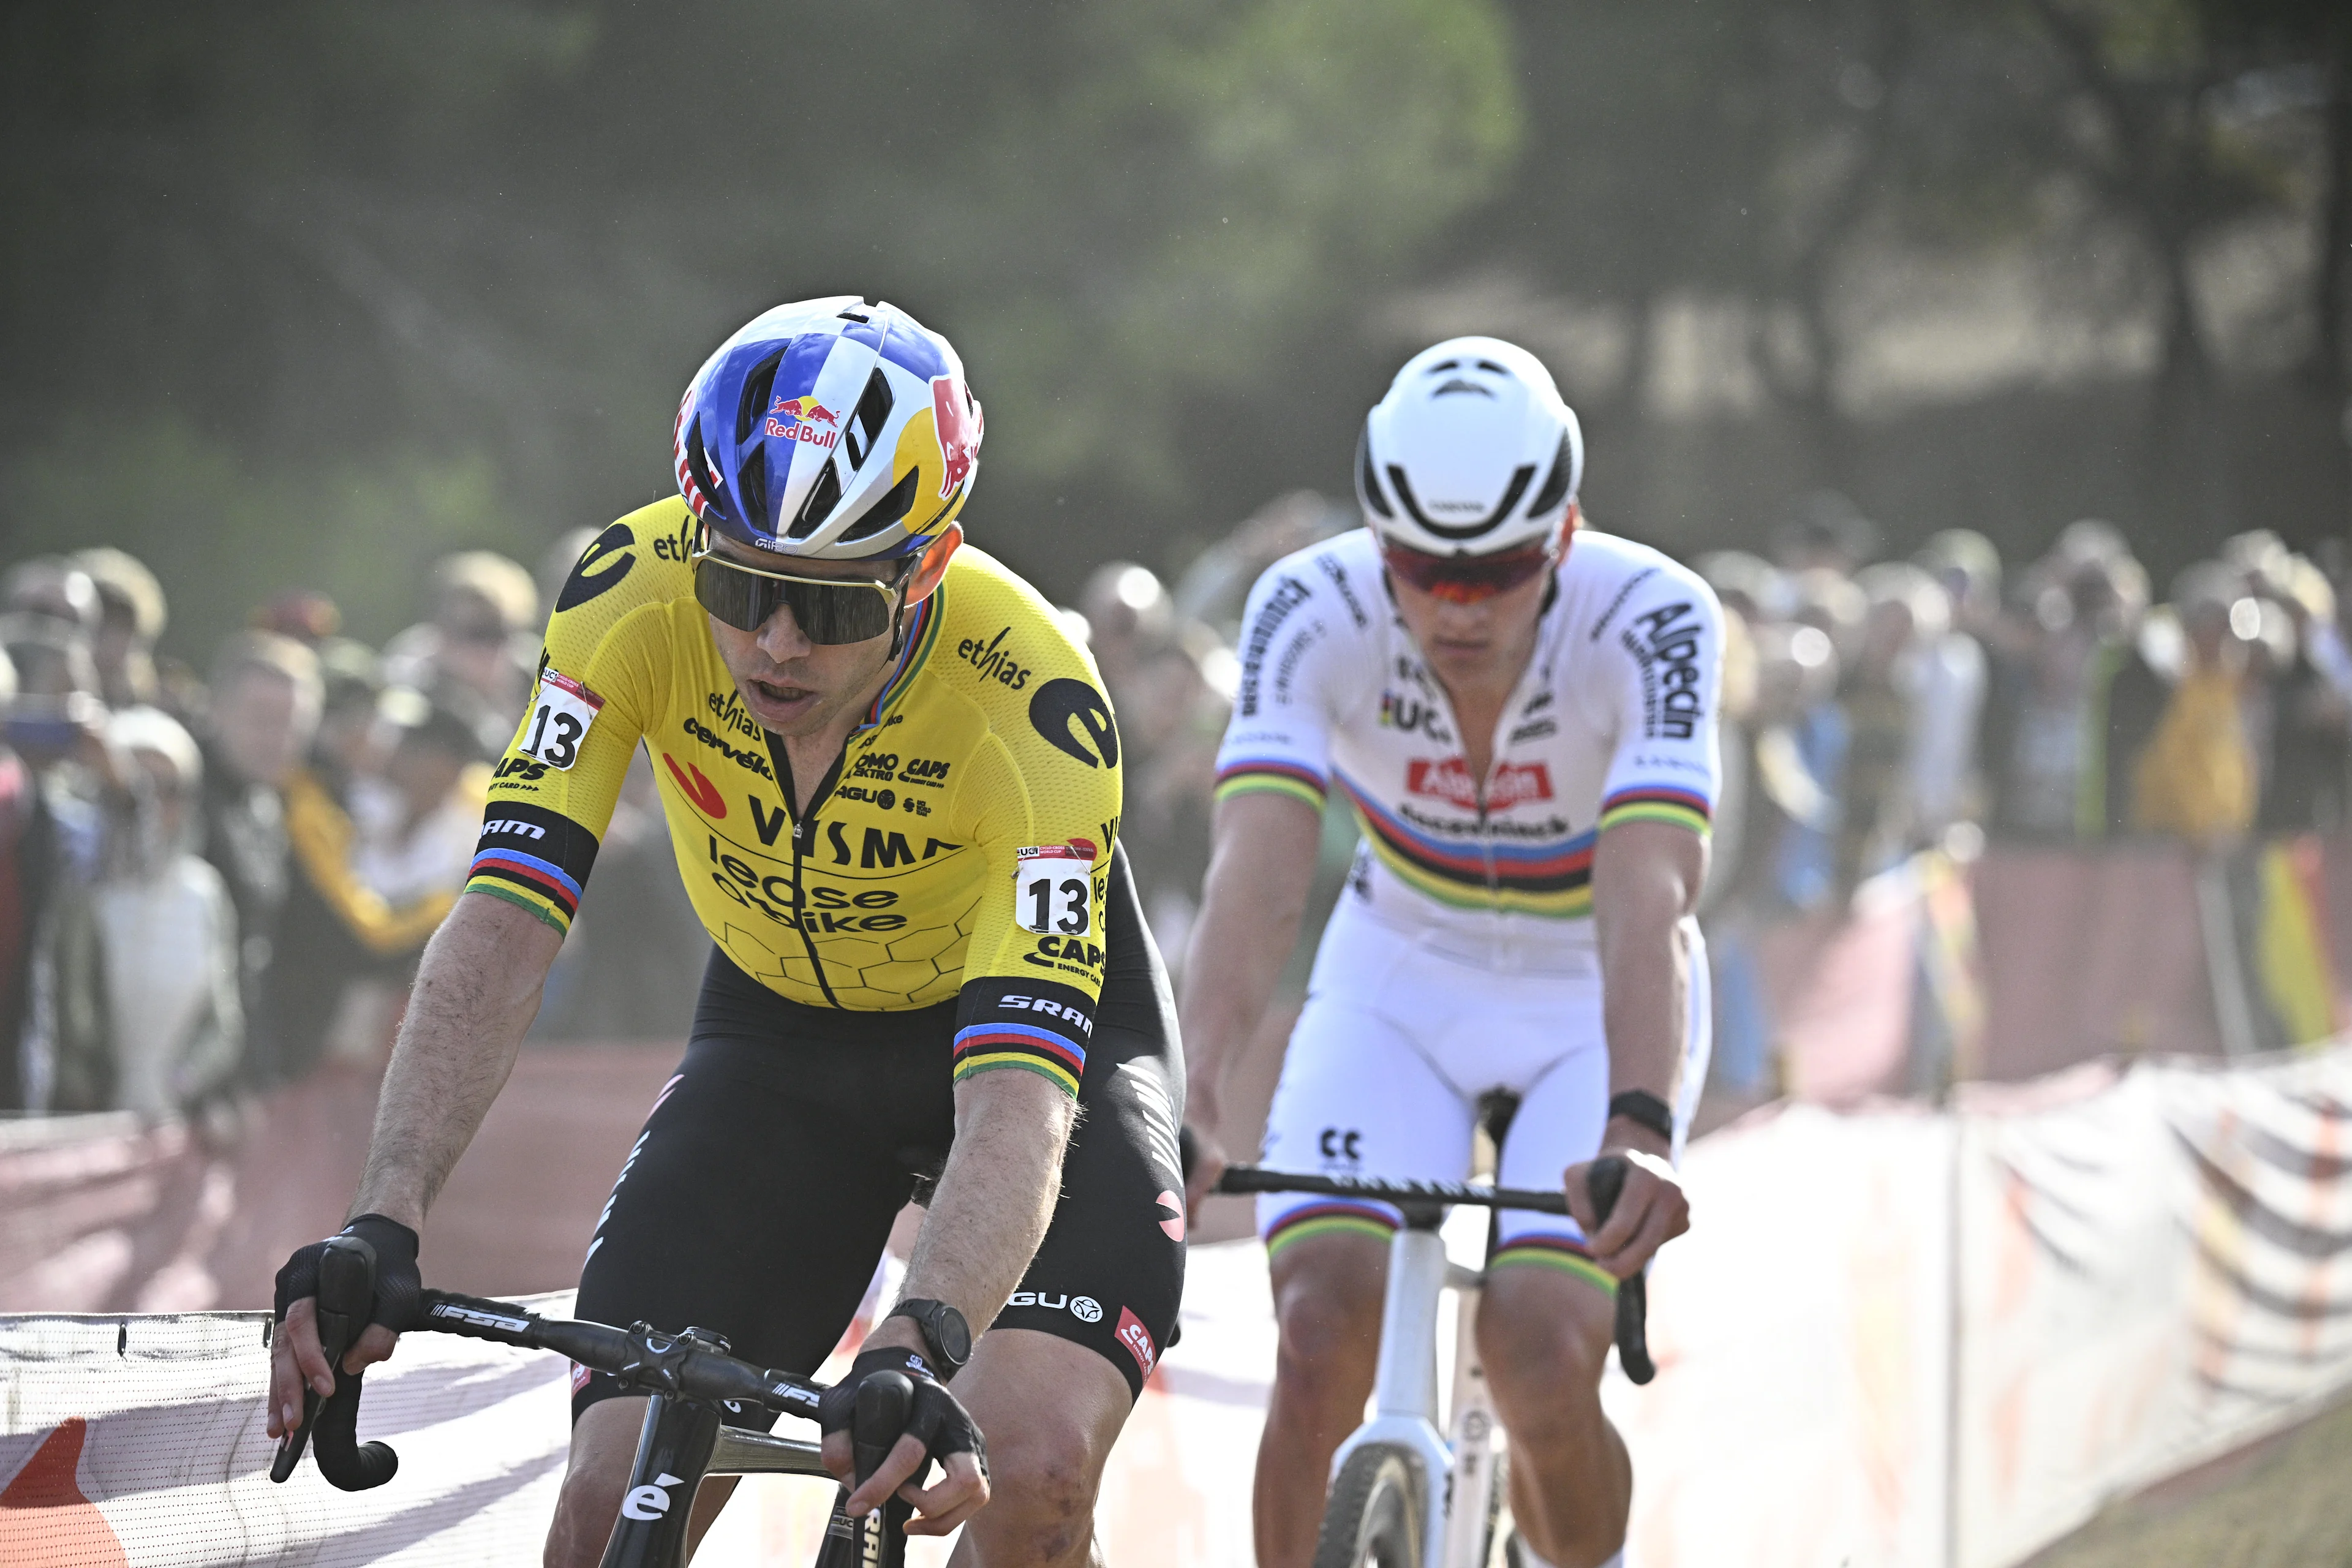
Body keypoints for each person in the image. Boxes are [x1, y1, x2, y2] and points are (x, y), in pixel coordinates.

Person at [265, 297, 1184, 1567]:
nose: (775, 641)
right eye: (741, 583)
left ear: (924, 568)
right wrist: (384, 1214)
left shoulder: (1038, 707)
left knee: (1030, 1471)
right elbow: (503, 927)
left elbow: (1021, 1100)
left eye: (833, 607)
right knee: (605, 1507)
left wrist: (922, 1341)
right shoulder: (623, 595)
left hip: (1034, 1060)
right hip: (781, 1044)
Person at [1179, 337, 1719, 1568]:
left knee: (1540, 1350)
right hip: (1398, 971)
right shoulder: (1307, 603)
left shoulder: (1655, 615)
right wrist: (1196, 1086)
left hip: (1590, 992)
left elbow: (1648, 893)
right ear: (1380, 540)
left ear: (1566, 533)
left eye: (1501, 570)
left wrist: (1636, 1118)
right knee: (1317, 1335)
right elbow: (1254, 873)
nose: (1457, 606)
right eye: (1423, 571)